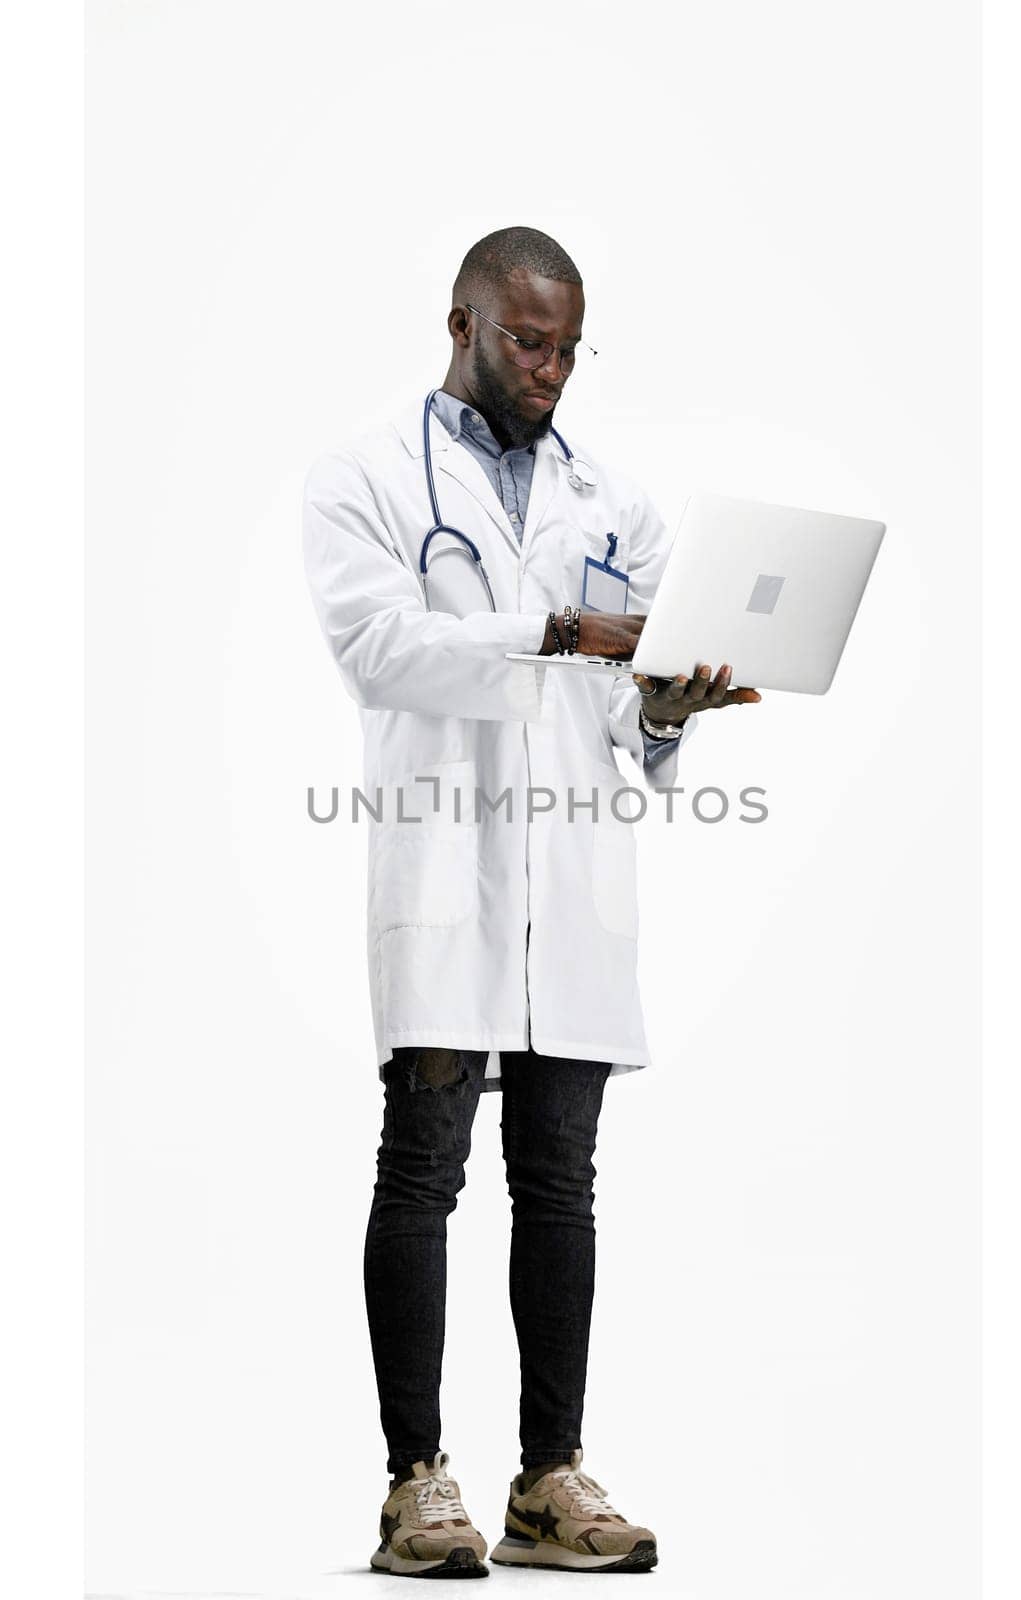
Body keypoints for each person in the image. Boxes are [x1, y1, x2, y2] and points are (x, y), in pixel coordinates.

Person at [302, 226, 760, 1578]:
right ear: (464, 324)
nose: (552, 368)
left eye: (568, 347)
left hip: (570, 882)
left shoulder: (617, 503)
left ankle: (548, 1482)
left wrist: (665, 705)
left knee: (561, 1181)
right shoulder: (369, 476)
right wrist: (560, 631)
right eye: (529, 341)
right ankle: (414, 1485)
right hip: (445, 865)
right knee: (423, 1169)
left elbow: (628, 711)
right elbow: (380, 651)